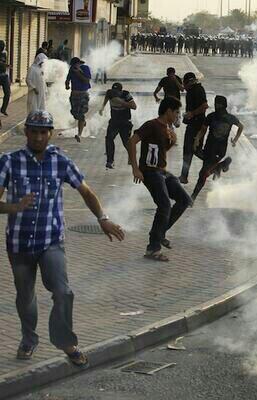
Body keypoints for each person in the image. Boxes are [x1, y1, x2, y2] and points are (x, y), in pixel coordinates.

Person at [0, 110, 125, 365]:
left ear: (51, 134)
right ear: (26, 133)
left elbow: (86, 192)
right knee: (25, 296)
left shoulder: (61, 162)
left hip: (51, 241)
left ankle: (66, 342)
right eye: (33, 131)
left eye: (43, 132)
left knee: (62, 291)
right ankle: (28, 339)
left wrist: (103, 218)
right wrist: (14, 207)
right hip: (19, 243)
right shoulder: (9, 161)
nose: (38, 137)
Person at [127, 97, 192, 262]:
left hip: (162, 172)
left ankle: (160, 233)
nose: (177, 115)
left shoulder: (167, 128)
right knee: (164, 205)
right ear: (168, 111)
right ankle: (153, 248)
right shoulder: (151, 125)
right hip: (150, 172)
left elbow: (162, 149)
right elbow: (132, 141)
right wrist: (135, 168)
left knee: (184, 200)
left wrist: (173, 140)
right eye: (176, 112)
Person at [190, 95, 243, 202]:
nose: (216, 105)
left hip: (219, 151)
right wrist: (197, 140)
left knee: (203, 174)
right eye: (215, 103)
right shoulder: (211, 116)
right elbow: (203, 130)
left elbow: (241, 126)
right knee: (195, 152)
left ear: (223, 105)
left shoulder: (230, 118)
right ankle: (220, 166)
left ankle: (192, 198)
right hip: (208, 148)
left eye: (218, 104)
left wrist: (235, 140)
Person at [179, 72, 208, 184]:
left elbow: (204, 106)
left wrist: (192, 113)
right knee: (191, 150)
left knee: (192, 150)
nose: (184, 87)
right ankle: (183, 176)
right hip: (194, 124)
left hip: (196, 125)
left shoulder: (198, 90)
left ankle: (215, 164)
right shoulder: (193, 90)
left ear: (189, 82)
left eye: (184, 84)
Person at [100, 82, 137, 169]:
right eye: (114, 91)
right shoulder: (110, 93)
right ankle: (110, 161)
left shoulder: (126, 94)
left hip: (125, 122)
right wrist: (102, 108)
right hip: (114, 122)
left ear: (120, 91)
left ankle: (131, 157)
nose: (115, 93)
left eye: (116, 92)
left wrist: (122, 103)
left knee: (126, 142)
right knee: (109, 139)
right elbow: (106, 98)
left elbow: (134, 106)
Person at [65, 57, 92, 143]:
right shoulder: (71, 69)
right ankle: (82, 121)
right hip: (74, 94)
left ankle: (79, 134)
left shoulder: (85, 68)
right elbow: (67, 78)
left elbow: (86, 81)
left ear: (79, 64)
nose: (74, 67)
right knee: (74, 113)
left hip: (83, 94)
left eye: (75, 65)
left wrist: (78, 73)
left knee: (81, 114)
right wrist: (67, 84)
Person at [0, 40, 11, 116]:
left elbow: (3, 63)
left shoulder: (4, 53)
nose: (2, 47)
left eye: (3, 46)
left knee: (7, 93)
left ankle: (3, 109)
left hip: (4, 75)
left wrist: (6, 65)